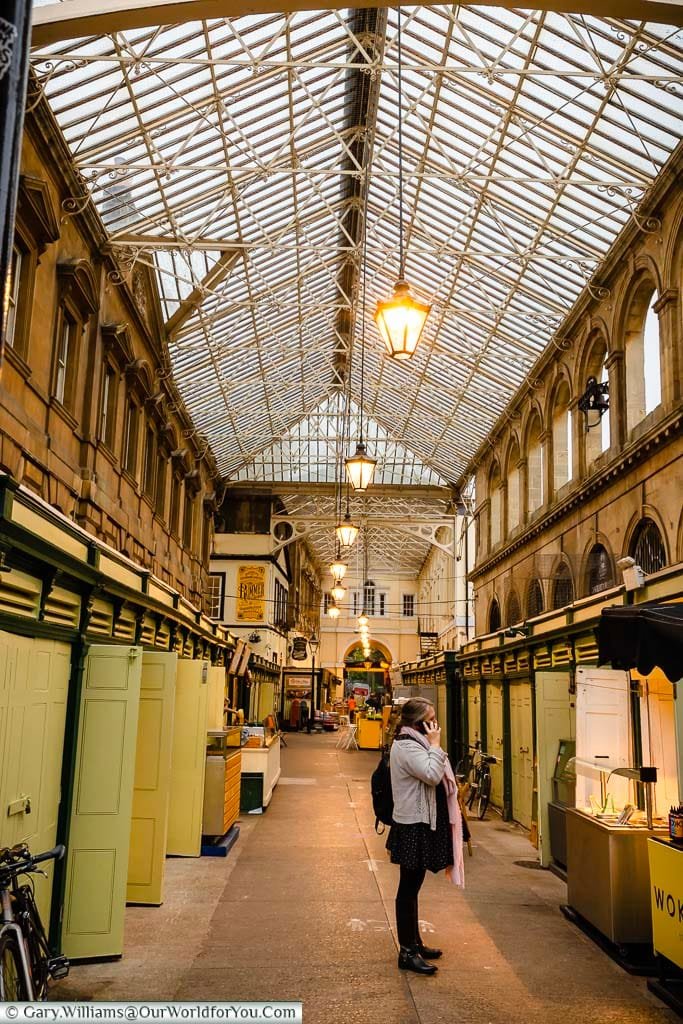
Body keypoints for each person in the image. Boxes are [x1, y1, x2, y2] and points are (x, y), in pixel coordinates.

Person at [385, 697, 464, 975]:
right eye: (431, 719)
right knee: (407, 889)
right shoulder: (407, 746)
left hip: (419, 822)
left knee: (413, 887)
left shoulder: (415, 743)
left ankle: (415, 943)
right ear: (419, 723)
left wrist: (431, 746)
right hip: (411, 825)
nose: (435, 723)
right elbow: (431, 774)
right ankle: (407, 951)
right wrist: (436, 744)